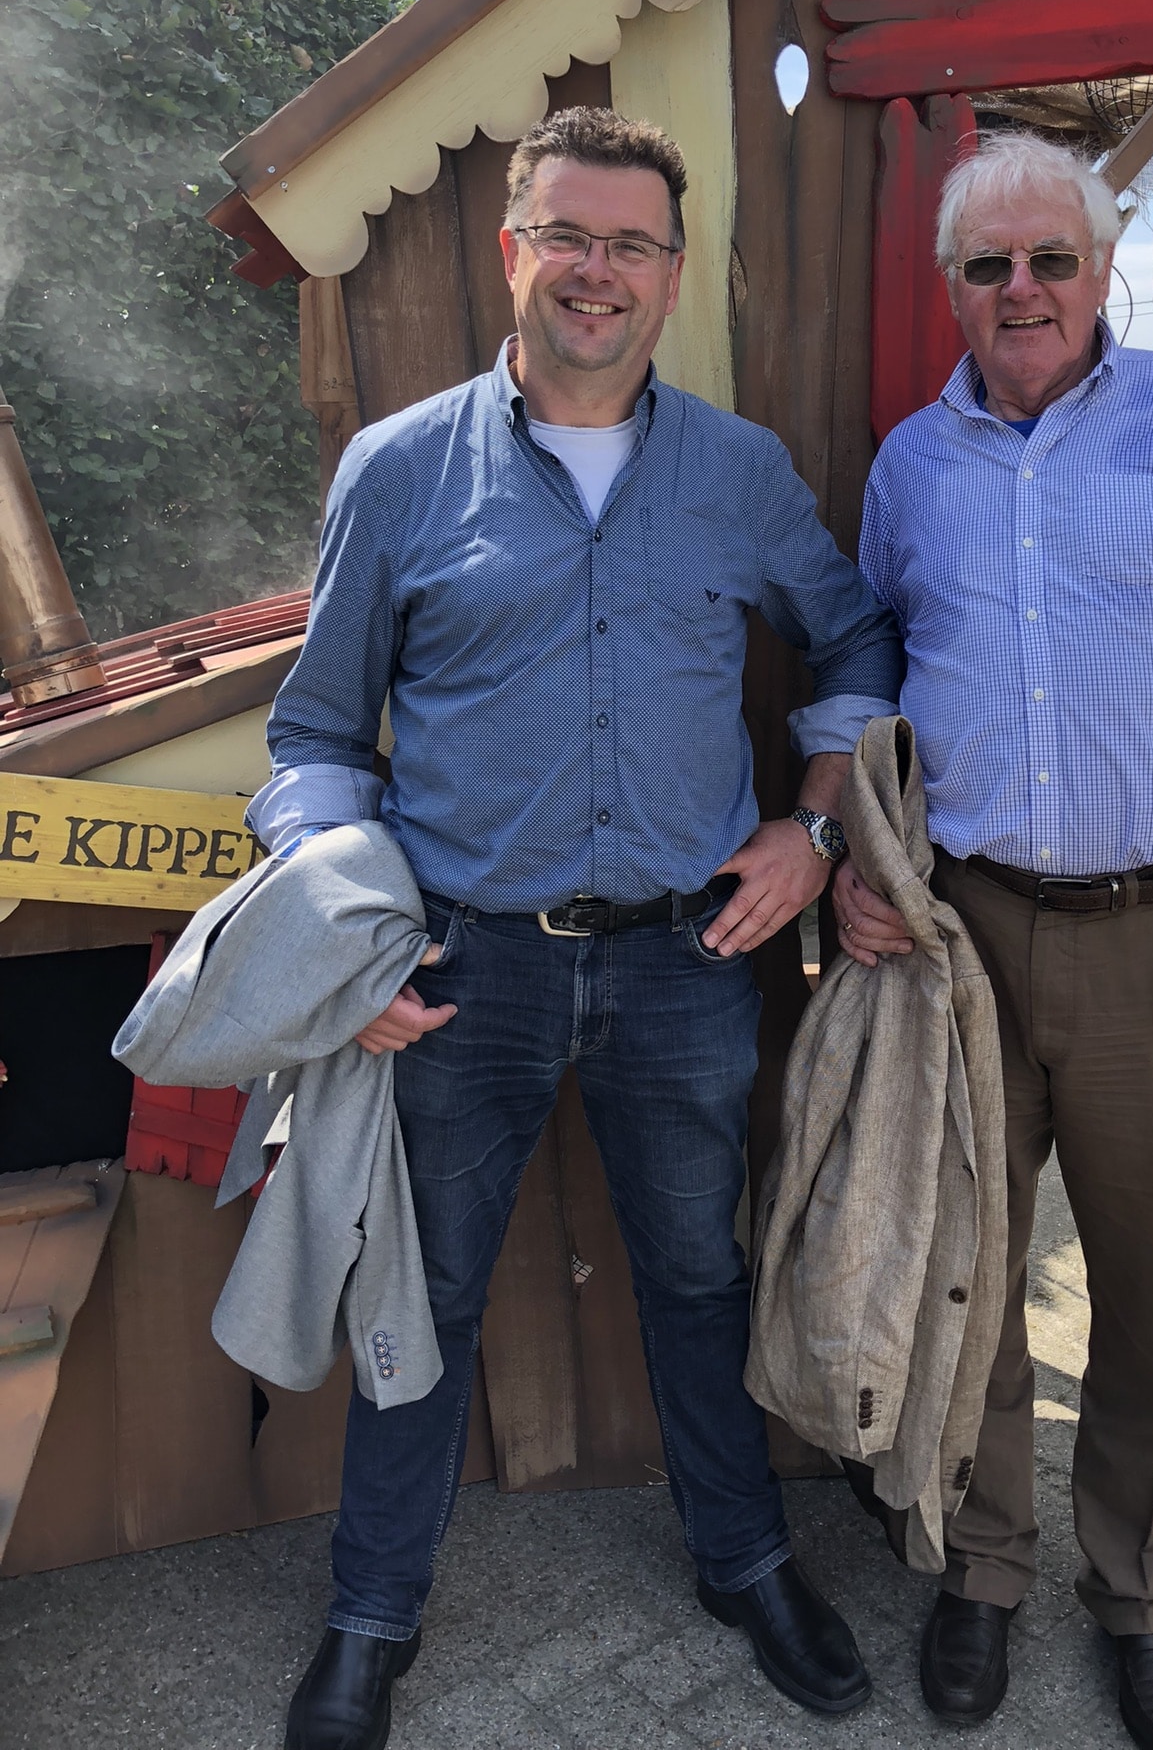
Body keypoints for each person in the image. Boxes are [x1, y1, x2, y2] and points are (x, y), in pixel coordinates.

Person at [250, 107, 903, 1750]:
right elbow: (314, 738)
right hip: (460, 967)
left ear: (672, 275)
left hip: (691, 960)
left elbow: (857, 646)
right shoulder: (399, 471)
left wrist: (818, 828)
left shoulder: (738, 475)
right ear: (513, 251)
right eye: (568, 235)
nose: (596, 271)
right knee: (425, 1290)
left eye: (631, 244)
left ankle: (744, 1562)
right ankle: (372, 1614)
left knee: (695, 1273)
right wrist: (341, 935)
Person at [834, 132, 1153, 1750]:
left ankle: (1144, 1598)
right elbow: (872, 671)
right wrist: (858, 848)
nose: (1023, 289)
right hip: (966, 932)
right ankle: (981, 1566)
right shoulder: (913, 466)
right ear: (953, 287)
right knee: (970, 1271)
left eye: (1052, 258)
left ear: (1104, 266)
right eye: (989, 266)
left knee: (1147, 1290)